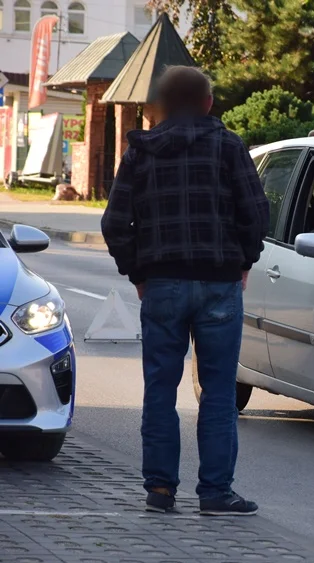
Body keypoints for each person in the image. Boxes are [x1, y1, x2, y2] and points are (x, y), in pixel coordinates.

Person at [102, 66, 269, 516]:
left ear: (162, 106)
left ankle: (160, 491)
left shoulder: (140, 153)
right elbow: (256, 213)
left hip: (163, 285)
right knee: (218, 391)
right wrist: (244, 261)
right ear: (208, 103)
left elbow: (115, 224)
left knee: (160, 388)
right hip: (219, 285)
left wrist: (137, 271)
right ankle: (215, 493)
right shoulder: (230, 147)